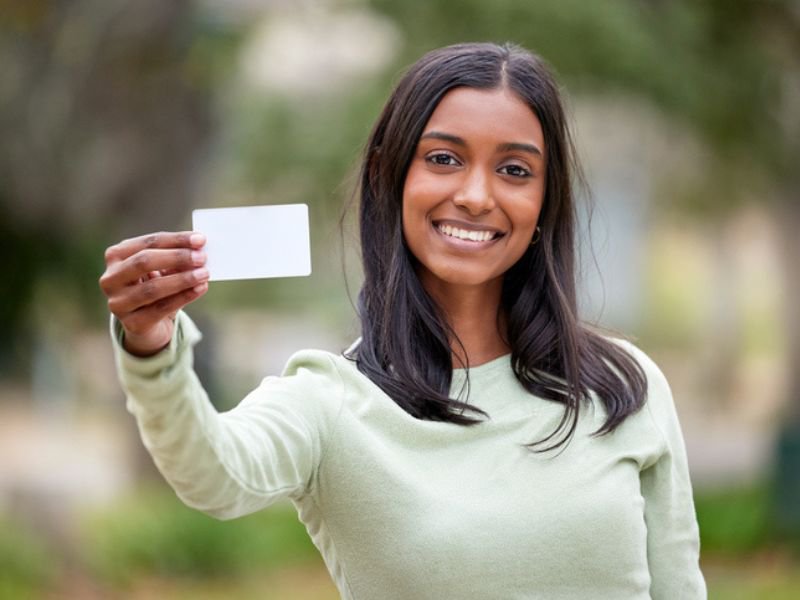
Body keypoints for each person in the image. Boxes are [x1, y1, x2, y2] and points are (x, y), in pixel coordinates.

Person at [100, 42, 706, 599]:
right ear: (391, 177)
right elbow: (214, 474)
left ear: (546, 201)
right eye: (444, 158)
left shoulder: (625, 387)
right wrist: (151, 347)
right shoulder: (331, 402)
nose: (475, 194)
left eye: (515, 170)